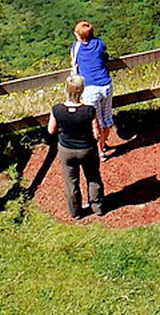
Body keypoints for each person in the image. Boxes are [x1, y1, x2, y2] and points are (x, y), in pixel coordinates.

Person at [48, 76, 104, 218]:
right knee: (93, 177)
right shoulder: (89, 110)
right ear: (82, 90)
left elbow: (51, 130)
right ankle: (97, 206)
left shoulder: (57, 109)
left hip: (67, 149)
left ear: (66, 90)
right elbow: (97, 133)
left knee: (71, 182)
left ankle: (76, 212)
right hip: (87, 148)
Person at [71, 21, 116, 158]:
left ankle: (100, 150)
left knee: (96, 122)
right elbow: (104, 55)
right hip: (106, 85)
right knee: (107, 119)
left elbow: (73, 61)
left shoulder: (76, 47)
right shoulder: (99, 44)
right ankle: (102, 144)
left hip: (90, 88)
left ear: (79, 36)